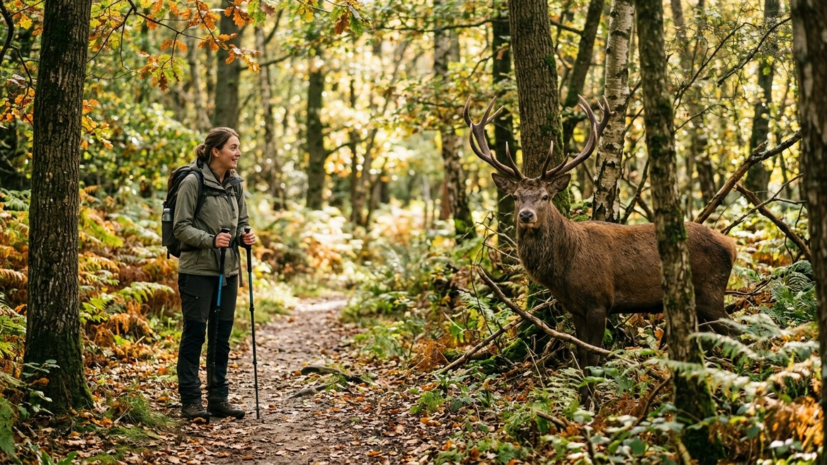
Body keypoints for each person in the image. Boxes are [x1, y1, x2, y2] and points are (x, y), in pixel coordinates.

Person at [172, 127, 256, 421]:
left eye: (239, 147)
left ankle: (219, 398)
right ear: (215, 151)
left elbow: (242, 222)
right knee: (195, 335)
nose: (238, 153)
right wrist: (210, 240)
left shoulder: (235, 185)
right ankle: (191, 401)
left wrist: (246, 236)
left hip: (228, 271)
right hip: (197, 271)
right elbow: (180, 227)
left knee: (221, 337)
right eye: (233, 147)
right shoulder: (193, 182)